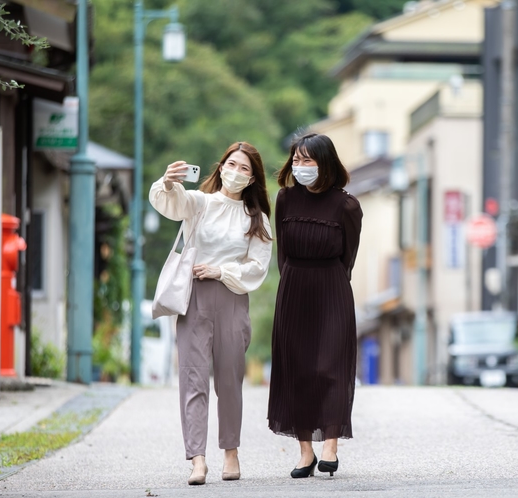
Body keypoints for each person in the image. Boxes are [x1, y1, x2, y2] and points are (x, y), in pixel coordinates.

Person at [149, 142, 273, 486]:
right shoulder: (201, 203)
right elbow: (172, 203)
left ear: (252, 178)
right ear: (220, 168)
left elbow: (257, 267)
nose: (236, 171)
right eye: (231, 164)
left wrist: (220, 271)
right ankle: (197, 459)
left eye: (244, 168)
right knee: (193, 377)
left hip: (233, 299)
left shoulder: (257, 218)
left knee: (230, 380)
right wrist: (169, 182)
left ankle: (230, 452)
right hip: (193, 299)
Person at [267, 133, 363, 478]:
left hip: (332, 288)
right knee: (299, 370)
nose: (300, 167)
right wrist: (290, 283)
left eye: (308, 160)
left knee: (329, 368)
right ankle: (305, 452)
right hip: (293, 288)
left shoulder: (347, 205)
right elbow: (282, 253)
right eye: (296, 160)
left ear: (326, 164)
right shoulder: (285, 199)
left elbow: (348, 257)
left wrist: (331, 280)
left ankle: (331, 445)